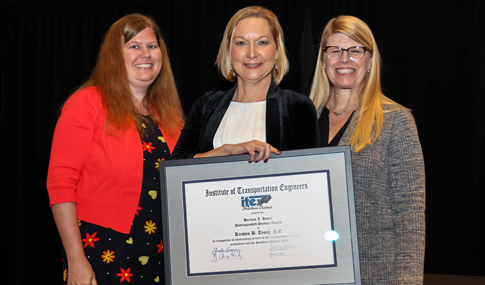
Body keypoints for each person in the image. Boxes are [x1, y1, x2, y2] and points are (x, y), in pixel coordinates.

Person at [47, 14, 184, 285]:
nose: (145, 53)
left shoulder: (169, 115)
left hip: (160, 248)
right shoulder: (87, 102)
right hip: (103, 247)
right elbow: (60, 184)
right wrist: (76, 259)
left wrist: (229, 151)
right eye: (134, 46)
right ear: (114, 55)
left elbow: (186, 167)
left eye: (152, 46)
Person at [309, 15, 425, 284]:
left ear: (370, 60)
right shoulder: (302, 119)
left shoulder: (395, 120)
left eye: (356, 50)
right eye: (335, 50)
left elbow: (410, 214)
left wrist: (408, 280)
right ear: (323, 60)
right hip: (312, 271)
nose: (344, 59)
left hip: (375, 273)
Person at [171, 6, 318, 161]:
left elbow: (307, 174)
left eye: (262, 42)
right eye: (241, 43)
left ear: (276, 49)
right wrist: (226, 151)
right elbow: (176, 167)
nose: (252, 53)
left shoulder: (298, 107)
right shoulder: (206, 106)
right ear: (229, 49)